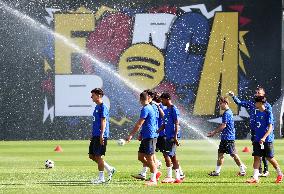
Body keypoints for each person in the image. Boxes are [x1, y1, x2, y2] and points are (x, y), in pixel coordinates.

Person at [229, 87, 270, 176]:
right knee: (257, 152)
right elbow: (240, 103)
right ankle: (259, 171)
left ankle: (266, 171)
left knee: (263, 151)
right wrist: (233, 96)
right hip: (254, 131)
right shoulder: (252, 103)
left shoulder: (267, 106)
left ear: (263, 94)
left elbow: (270, 121)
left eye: (259, 92)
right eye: (256, 92)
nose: (257, 94)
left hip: (262, 132)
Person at [126, 92, 162, 186]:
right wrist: (141, 134)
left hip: (150, 136)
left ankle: (153, 179)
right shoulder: (149, 107)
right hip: (146, 135)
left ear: (141, 99)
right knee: (140, 157)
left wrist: (131, 135)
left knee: (150, 159)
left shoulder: (146, 108)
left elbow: (139, 123)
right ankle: (155, 171)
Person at [246, 96, 283, 183]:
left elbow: (270, 128)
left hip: (267, 140)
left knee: (270, 158)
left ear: (260, 103)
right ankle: (255, 178)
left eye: (256, 102)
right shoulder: (256, 113)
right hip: (257, 139)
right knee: (256, 157)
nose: (255, 104)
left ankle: (280, 174)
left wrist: (264, 137)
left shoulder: (268, 113)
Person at [207, 97, 246, 176]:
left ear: (225, 103)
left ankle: (242, 170)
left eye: (221, 103)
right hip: (225, 137)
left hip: (228, 138)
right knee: (220, 154)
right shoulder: (228, 112)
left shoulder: (227, 113)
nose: (220, 105)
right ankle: (217, 172)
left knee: (233, 154)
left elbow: (223, 125)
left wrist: (214, 132)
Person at [89, 88, 115, 184]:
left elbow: (103, 121)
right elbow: (96, 122)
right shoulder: (97, 107)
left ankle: (101, 178)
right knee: (92, 156)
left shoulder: (103, 107)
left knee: (98, 156)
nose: (91, 97)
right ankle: (109, 168)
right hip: (95, 135)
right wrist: (93, 135)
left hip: (100, 135)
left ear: (99, 96)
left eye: (93, 95)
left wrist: (102, 135)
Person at [157, 92, 183, 183]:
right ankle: (178, 177)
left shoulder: (173, 109)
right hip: (168, 136)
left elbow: (177, 123)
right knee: (173, 157)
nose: (161, 101)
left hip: (173, 136)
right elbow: (165, 124)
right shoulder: (167, 109)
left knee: (168, 154)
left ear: (167, 99)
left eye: (162, 99)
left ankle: (172, 177)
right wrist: (157, 131)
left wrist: (175, 137)